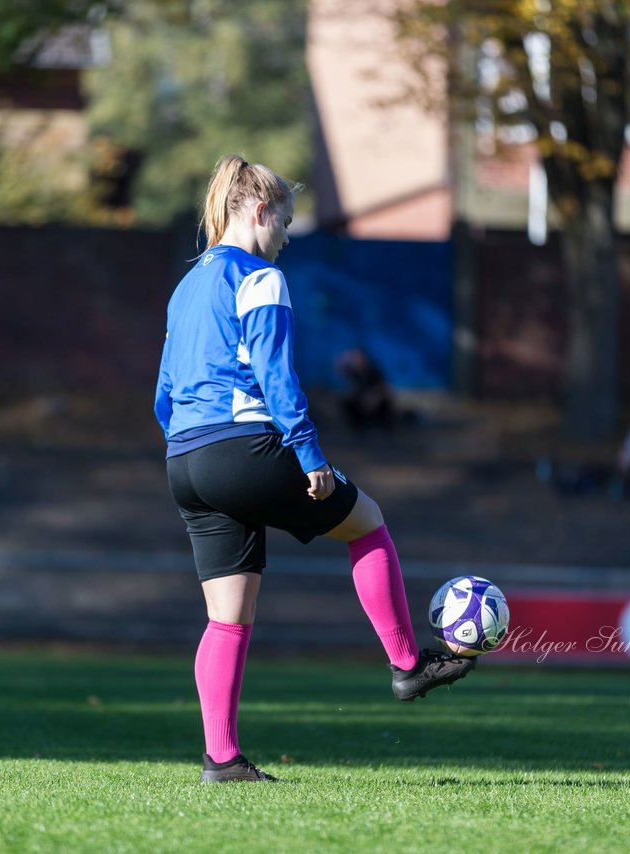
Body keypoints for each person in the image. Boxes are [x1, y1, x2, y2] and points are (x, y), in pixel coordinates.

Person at [155, 155, 477, 784]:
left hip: (185, 461)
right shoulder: (260, 277)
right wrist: (309, 454)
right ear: (258, 213)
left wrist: (191, 448)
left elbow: (165, 392)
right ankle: (408, 664)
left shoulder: (185, 286)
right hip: (243, 448)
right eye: (285, 222)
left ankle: (222, 760)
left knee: (227, 618)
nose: (285, 237)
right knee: (368, 523)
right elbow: (278, 378)